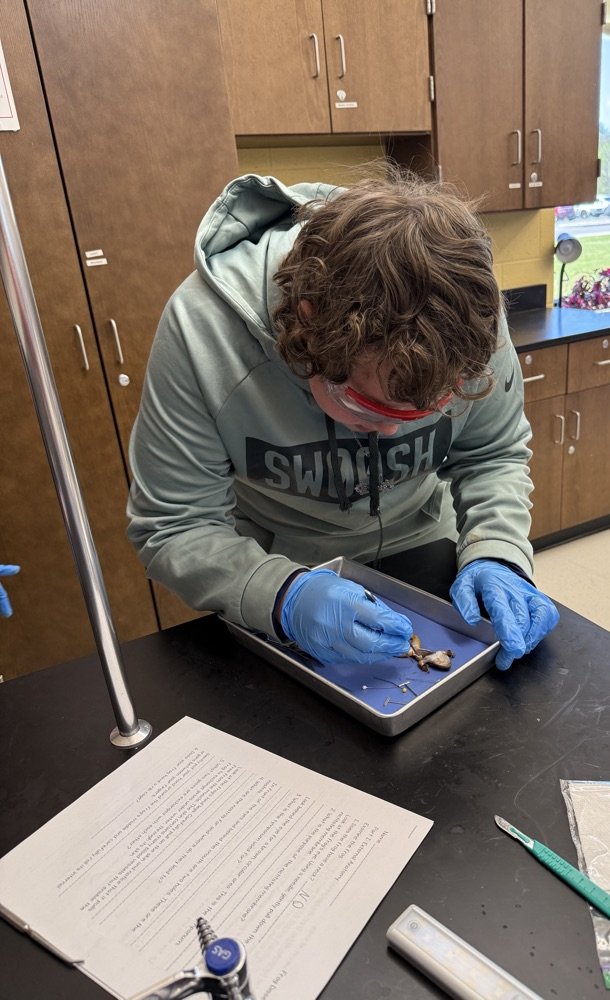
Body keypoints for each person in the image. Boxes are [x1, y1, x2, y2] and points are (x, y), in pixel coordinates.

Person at [126, 169, 559, 670]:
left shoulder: (468, 318)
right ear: (307, 327)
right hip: (280, 568)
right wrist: (283, 595)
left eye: (425, 413)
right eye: (367, 407)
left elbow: (492, 453)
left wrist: (498, 550)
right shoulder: (201, 331)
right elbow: (175, 524)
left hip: (426, 549)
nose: (395, 432)